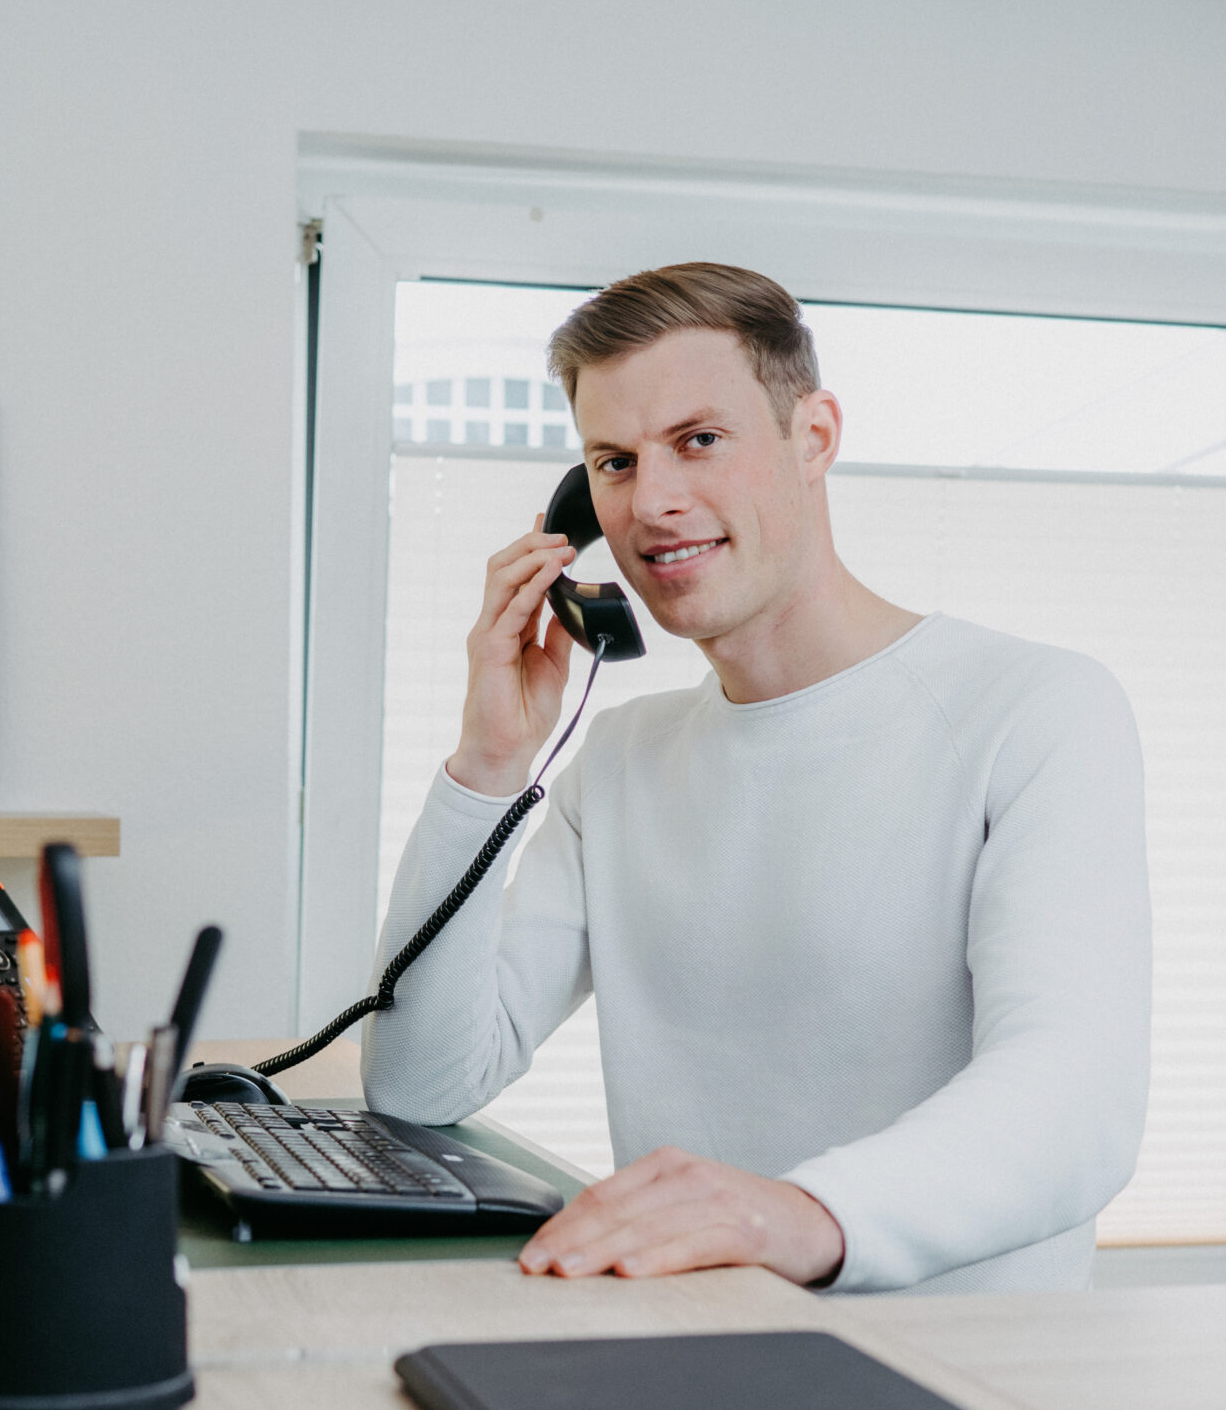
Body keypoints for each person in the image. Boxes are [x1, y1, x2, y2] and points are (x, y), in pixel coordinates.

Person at [361, 263, 1151, 1294]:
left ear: (812, 436)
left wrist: (790, 1214)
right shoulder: (623, 761)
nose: (652, 502)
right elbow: (421, 1082)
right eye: (612, 461)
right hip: (703, 1344)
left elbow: (1075, 1101)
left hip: (954, 1368)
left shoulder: (1035, 710)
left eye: (698, 440)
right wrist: (486, 765)